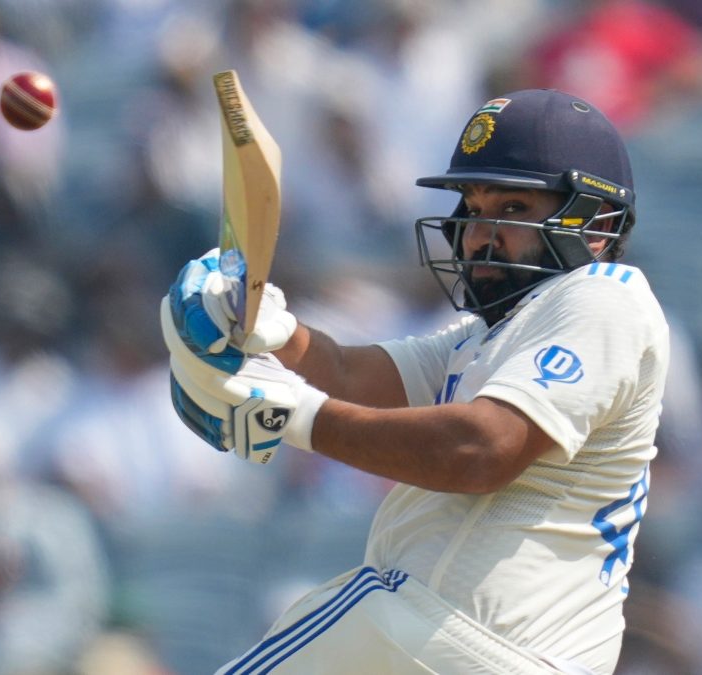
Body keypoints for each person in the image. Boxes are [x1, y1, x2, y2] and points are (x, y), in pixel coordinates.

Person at [160, 88, 670, 674]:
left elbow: (481, 449)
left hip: (461, 635)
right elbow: (349, 373)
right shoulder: (487, 337)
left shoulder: (604, 296)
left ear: (597, 222)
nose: (480, 234)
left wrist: (292, 416)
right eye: (474, 210)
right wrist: (266, 326)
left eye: (512, 209)